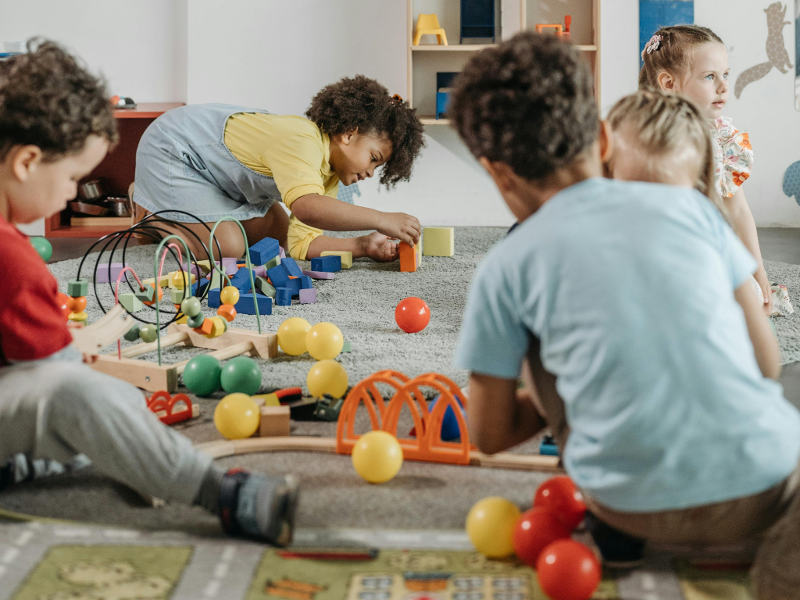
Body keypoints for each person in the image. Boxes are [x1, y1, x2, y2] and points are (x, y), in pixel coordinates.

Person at [449, 31, 800, 599]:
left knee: (543, 344)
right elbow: (766, 362)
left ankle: (622, 535)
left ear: (497, 173)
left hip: (625, 505)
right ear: (605, 136)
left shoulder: (505, 266)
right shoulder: (694, 210)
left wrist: (578, 377)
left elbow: (487, 434)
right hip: (761, 490)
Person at [0, 39, 298, 545]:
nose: (74, 192)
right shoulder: (12, 258)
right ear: (27, 161)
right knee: (90, 398)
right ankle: (219, 492)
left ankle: (27, 463)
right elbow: (66, 377)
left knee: (85, 405)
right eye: (74, 177)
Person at [131, 76, 424, 263]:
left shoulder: (329, 175)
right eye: (373, 158)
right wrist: (381, 219)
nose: (371, 172)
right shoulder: (302, 139)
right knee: (228, 247)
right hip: (173, 151)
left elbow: (301, 245)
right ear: (348, 134)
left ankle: (177, 210)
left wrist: (362, 245)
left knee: (278, 237)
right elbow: (309, 207)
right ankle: (149, 213)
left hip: (220, 180)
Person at [639, 24, 771, 312]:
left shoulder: (721, 139)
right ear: (668, 83)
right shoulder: (643, 139)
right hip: (654, 249)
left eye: (725, 74)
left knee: (747, 294)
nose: (724, 86)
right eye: (710, 77)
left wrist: (758, 270)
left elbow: (737, 209)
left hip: (704, 248)